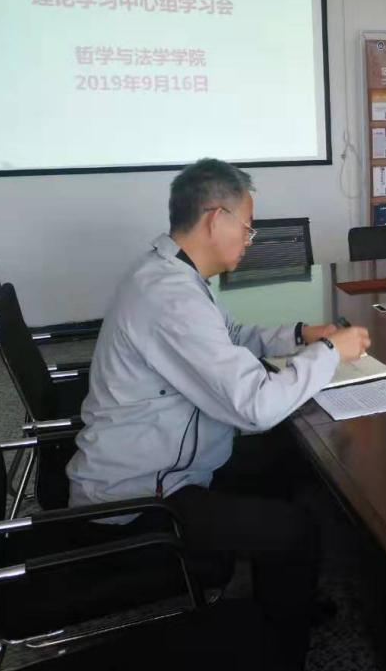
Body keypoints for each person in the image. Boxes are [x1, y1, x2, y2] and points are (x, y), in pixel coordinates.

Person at [67, 158, 370, 667]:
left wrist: (301, 335)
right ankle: (281, 648)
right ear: (215, 218)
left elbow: (232, 338)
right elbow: (255, 407)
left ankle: (285, 600)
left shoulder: (171, 273)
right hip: (141, 500)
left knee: (284, 459)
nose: (250, 240)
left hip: (164, 462)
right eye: (247, 227)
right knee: (294, 528)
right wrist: (329, 353)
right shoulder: (169, 296)